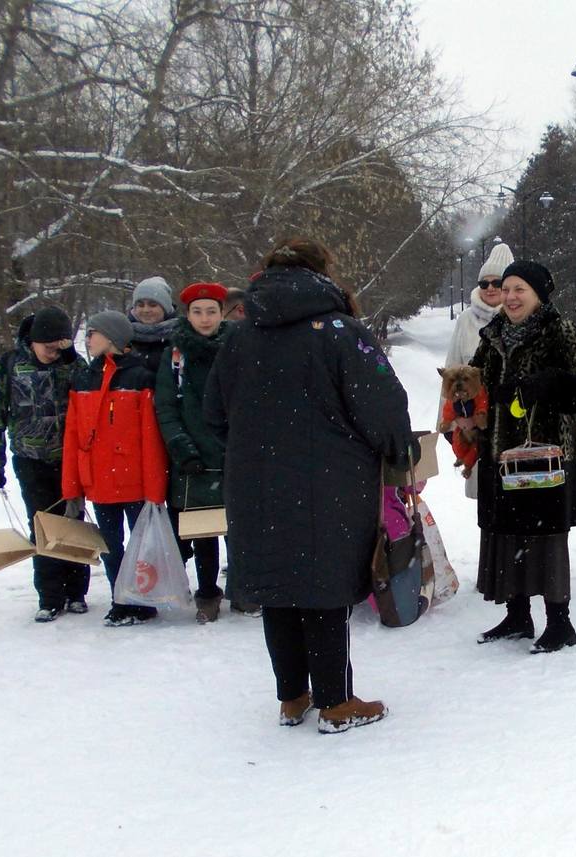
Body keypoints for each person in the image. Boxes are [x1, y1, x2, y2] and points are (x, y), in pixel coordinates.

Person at [204, 237, 416, 733]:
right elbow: (385, 407)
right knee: (325, 586)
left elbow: (214, 413)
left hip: (255, 484)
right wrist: (395, 451)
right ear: (323, 274)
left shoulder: (238, 335)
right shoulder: (341, 331)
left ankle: (292, 697)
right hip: (331, 483)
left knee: (279, 586)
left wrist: (254, 452)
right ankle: (336, 702)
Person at [470, 260, 576, 652]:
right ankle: (517, 614)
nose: (509, 296)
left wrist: (546, 383)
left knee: (545, 539)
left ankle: (560, 623)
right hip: (500, 451)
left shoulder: (557, 330)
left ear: (538, 294)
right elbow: (476, 380)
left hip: (546, 454)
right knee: (507, 533)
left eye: (519, 289)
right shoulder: (493, 334)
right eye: (505, 289)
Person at [0, 306, 89, 622]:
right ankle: (50, 596)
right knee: (42, 526)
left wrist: (73, 363)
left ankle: (76, 592)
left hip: (69, 458)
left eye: (60, 348)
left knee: (73, 521)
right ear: (34, 341)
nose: (53, 354)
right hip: (31, 460)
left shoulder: (73, 364)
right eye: (48, 348)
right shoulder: (10, 364)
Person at [62, 310, 167, 627]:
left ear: (112, 338)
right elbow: (73, 434)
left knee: (140, 546)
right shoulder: (84, 378)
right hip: (100, 481)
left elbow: (150, 438)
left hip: (133, 481)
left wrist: (154, 488)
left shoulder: (139, 377)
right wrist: (73, 487)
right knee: (110, 545)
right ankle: (120, 598)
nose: (88, 338)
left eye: (93, 332)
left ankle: (141, 601)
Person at [155, 282, 231, 623]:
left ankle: (245, 589)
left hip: (233, 453)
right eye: (198, 312)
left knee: (240, 529)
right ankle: (207, 593)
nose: (205, 318)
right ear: (188, 314)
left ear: (221, 313)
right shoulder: (175, 355)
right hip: (194, 458)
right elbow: (166, 408)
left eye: (211, 311)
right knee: (203, 533)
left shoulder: (236, 348)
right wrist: (182, 448)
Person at [443, 242, 513, 499]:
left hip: (511, 426)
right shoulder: (465, 321)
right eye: (485, 283)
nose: (491, 288)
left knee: (514, 498)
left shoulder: (521, 321)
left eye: (497, 282)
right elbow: (451, 372)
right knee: (486, 500)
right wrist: (450, 424)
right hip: (474, 424)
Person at [127, 276, 180, 373]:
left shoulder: (181, 336)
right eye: (140, 305)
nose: (146, 310)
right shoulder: (123, 337)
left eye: (153, 305)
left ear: (165, 308)